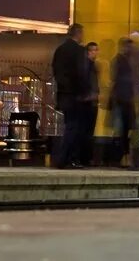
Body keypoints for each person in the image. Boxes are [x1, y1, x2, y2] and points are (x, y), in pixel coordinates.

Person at [50, 23, 88, 168]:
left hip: (63, 94)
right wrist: (84, 92)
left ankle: (62, 158)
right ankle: (65, 158)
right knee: (74, 127)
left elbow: (56, 71)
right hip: (75, 94)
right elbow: (81, 73)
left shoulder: (60, 50)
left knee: (68, 125)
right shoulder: (78, 50)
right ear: (78, 33)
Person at [107, 37, 135, 166]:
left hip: (124, 98)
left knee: (123, 128)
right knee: (121, 128)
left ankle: (123, 156)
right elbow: (113, 80)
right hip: (121, 99)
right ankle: (122, 157)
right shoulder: (120, 60)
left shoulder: (121, 60)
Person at [78, 42, 100, 165]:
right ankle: (85, 158)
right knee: (87, 130)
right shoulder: (88, 66)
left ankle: (85, 157)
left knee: (88, 130)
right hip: (88, 101)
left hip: (90, 101)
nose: (95, 52)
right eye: (93, 50)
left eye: (96, 50)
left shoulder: (92, 65)